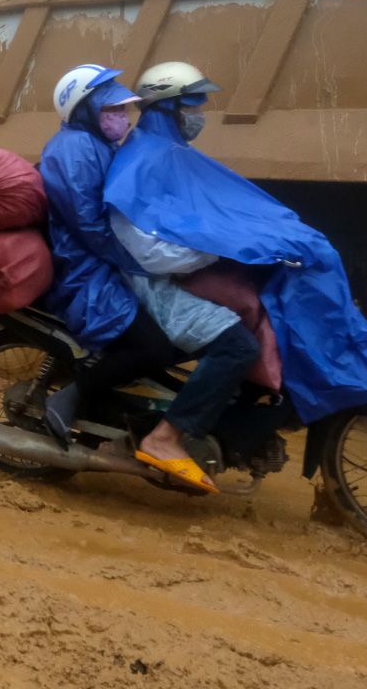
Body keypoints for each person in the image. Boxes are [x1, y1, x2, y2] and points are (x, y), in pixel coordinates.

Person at [106, 61, 367, 434]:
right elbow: (150, 251)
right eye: (192, 106)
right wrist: (227, 248)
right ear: (168, 107)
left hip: (189, 267)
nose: (198, 115)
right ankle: (167, 437)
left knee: (311, 256)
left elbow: (219, 210)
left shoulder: (170, 151)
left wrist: (259, 237)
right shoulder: (143, 160)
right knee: (241, 343)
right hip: (156, 282)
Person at [36, 64, 225, 494]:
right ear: (85, 110)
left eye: (125, 107)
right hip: (86, 273)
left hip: (107, 264)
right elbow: (93, 228)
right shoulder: (72, 151)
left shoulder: (98, 143)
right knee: (155, 345)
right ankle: (72, 394)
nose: (123, 115)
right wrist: (152, 262)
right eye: (113, 108)